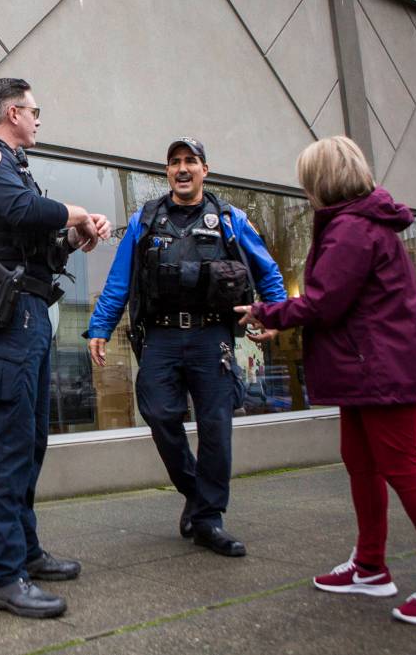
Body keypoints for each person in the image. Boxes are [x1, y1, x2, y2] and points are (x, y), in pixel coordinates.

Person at [236, 135, 416, 626]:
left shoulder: (351, 228)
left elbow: (325, 300)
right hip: (366, 367)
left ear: (321, 182)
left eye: (307, 181)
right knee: (361, 464)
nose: (304, 190)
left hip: (380, 368)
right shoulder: (360, 224)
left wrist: (268, 310)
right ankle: (370, 566)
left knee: (402, 469)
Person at [0, 78, 112, 618]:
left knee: (31, 439)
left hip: (28, 313)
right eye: (36, 111)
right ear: (14, 112)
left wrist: (75, 235)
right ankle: (0, 576)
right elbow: (24, 212)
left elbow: (37, 237)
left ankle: (24, 552)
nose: (40, 120)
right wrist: (77, 210)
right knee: (7, 444)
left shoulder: (17, 169)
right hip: (4, 315)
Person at [86, 137, 286, 557]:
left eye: (190, 161)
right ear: (167, 172)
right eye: (174, 162)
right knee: (159, 415)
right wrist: (100, 326)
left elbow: (267, 271)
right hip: (159, 337)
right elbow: (120, 279)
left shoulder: (230, 218)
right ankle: (197, 495)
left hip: (211, 337)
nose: (182, 168)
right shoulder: (146, 219)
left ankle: (209, 520)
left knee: (216, 427)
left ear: (204, 170)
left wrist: (274, 313)